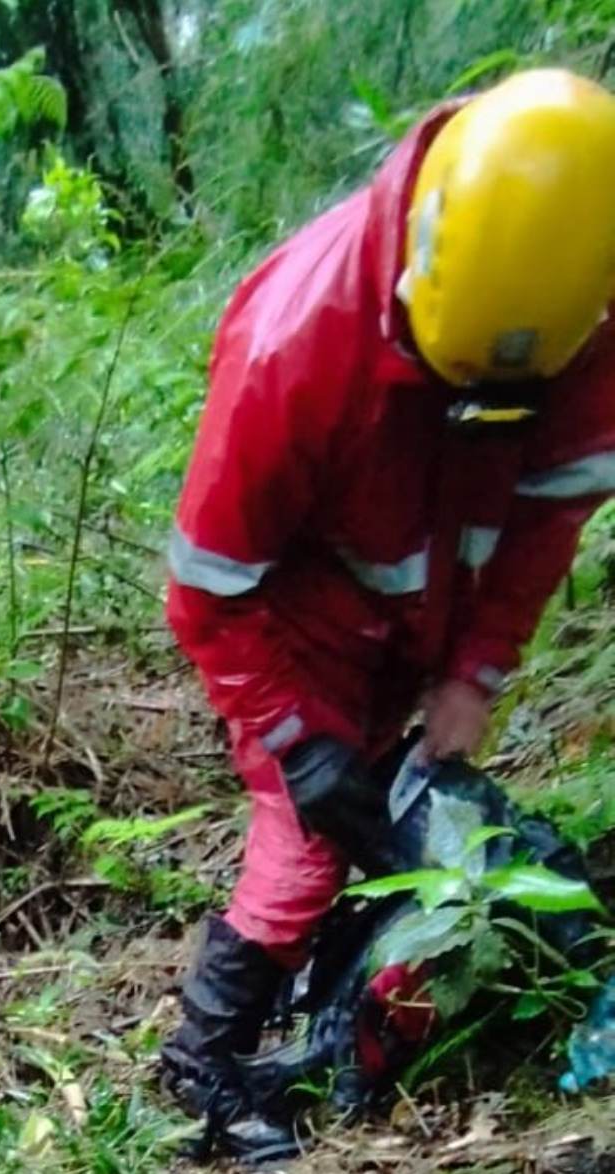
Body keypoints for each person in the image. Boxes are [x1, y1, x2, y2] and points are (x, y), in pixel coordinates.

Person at [162, 68, 615, 1162]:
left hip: (424, 619)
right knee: (311, 838)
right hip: (298, 623)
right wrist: (293, 742)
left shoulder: (578, 306)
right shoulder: (293, 348)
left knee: (395, 816)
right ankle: (202, 1062)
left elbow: (545, 522)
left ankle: (323, 991)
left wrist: (475, 673)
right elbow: (208, 586)